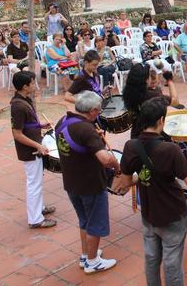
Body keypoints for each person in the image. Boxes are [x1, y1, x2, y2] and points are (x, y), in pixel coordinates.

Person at [117, 97, 187, 285]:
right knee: (172, 262)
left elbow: (126, 182)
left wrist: (143, 176)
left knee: (151, 259)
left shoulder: (130, 146)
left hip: (149, 212)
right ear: (161, 120)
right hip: (171, 213)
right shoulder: (170, 149)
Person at [56, 91, 118, 273]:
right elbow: (106, 159)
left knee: (84, 220)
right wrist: (116, 165)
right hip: (90, 184)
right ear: (91, 111)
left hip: (71, 182)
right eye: (98, 112)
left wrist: (93, 137)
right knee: (95, 223)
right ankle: (93, 262)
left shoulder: (62, 122)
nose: (98, 115)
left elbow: (78, 144)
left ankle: (86, 255)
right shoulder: (86, 130)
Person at [10, 71, 56, 229]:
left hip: (34, 147)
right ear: (24, 86)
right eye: (32, 83)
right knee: (34, 183)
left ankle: (39, 208)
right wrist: (38, 145)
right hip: (30, 150)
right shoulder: (18, 106)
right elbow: (17, 134)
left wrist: (40, 125)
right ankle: (35, 219)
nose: (34, 86)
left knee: (36, 181)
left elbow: (27, 124)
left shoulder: (24, 100)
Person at [123, 64, 180, 139]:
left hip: (136, 134)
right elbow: (175, 101)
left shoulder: (127, 92)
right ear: (146, 80)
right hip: (153, 136)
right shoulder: (150, 96)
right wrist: (169, 80)